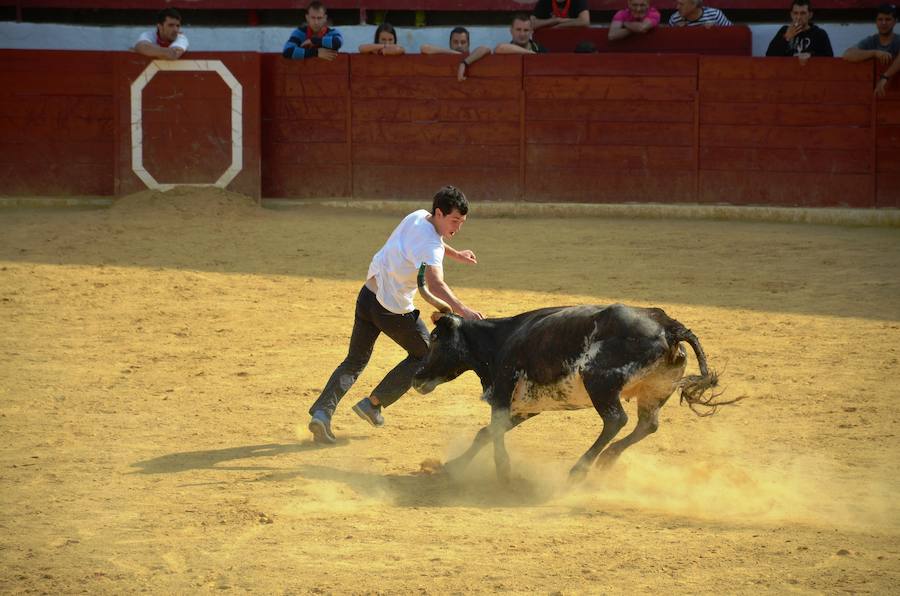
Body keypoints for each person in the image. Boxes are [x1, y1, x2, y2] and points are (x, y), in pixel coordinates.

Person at [307, 186, 483, 444]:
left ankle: (322, 413)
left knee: (354, 361)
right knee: (426, 352)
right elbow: (435, 284)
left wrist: (457, 254)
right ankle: (374, 404)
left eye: (462, 222)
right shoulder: (431, 246)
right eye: (454, 220)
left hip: (367, 295)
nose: (458, 227)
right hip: (391, 309)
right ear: (439, 213)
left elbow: (432, 242)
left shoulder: (418, 216)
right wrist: (463, 309)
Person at [420, 27, 492, 82]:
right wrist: (454, 53)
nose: (459, 45)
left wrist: (464, 63)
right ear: (450, 43)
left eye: (463, 42)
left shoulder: (473, 55)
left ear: (468, 44)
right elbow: (424, 48)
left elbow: (485, 49)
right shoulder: (448, 54)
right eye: (455, 42)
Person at [765, 0, 833, 58]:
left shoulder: (819, 34)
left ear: (810, 15)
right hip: (787, 72)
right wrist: (786, 38)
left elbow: (829, 59)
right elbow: (769, 56)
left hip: (811, 72)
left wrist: (811, 55)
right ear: (791, 15)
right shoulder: (784, 30)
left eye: (803, 13)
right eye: (795, 13)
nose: (798, 17)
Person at [668, 0, 732, 27]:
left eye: (681, 4)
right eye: (677, 3)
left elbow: (732, 34)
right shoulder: (674, 19)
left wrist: (716, 30)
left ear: (694, 5)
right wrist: (677, 31)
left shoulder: (715, 15)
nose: (677, 7)